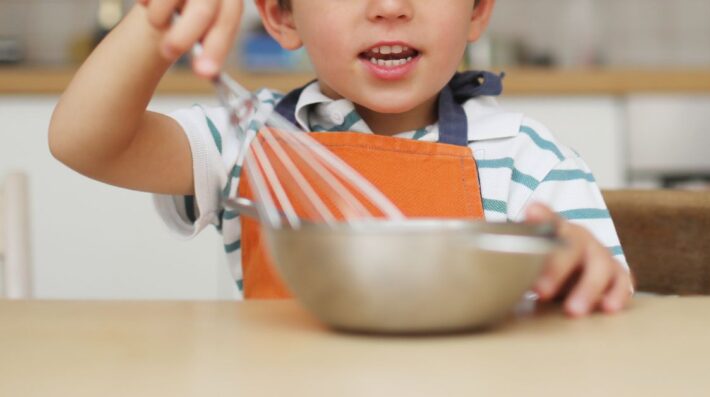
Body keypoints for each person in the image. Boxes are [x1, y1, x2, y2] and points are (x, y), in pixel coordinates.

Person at [48, 0, 633, 316]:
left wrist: (580, 273)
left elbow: (602, 310)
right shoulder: (247, 141)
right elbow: (84, 141)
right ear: (281, 16)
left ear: (478, 8)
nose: (390, 7)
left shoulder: (531, 160)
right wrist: (164, 17)